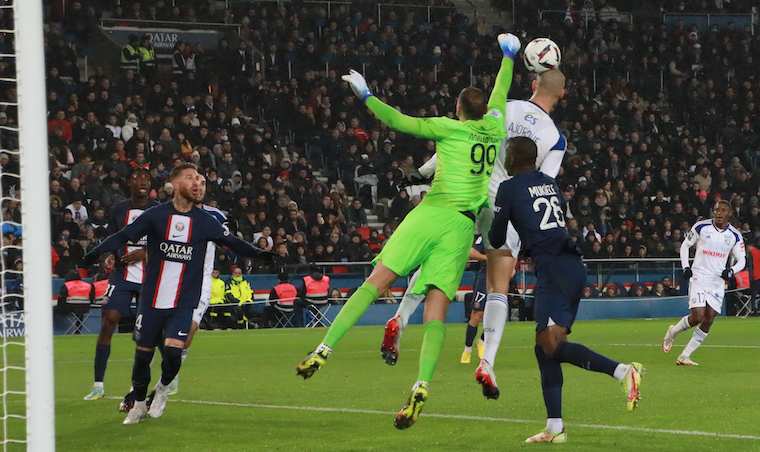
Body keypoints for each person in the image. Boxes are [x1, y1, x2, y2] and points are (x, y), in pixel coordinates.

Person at [295, 33, 519, 430]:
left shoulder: (448, 128)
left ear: (458, 109)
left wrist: (366, 95)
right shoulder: (495, 126)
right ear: (485, 110)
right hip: (462, 227)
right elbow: (501, 90)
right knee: (436, 311)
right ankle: (421, 384)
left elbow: (398, 121)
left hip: (431, 213)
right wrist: (508, 56)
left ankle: (324, 348)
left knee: (376, 281)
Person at [380, 64, 568, 383]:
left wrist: (421, 174)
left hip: (471, 194)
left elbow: (462, 141)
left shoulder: (505, 107)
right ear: (561, 94)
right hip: (507, 207)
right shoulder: (556, 139)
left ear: (533, 84)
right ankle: (487, 361)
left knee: (435, 262)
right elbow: (540, 185)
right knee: (499, 286)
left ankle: (400, 317)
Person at [84, 163, 271, 424]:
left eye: (202, 181)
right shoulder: (156, 215)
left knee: (176, 347)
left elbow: (232, 242)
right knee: (143, 355)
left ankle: (163, 388)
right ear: (175, 184)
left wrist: (262, 254)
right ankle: (138, 401)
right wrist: (97, 251)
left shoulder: (210, 219)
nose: (198, 185)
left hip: (189, 293)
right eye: (192, 179)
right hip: (153, 296)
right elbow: (124, 235)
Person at [491, 136, 643, 443]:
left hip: (554, 270)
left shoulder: (509, 187)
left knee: (551, 345)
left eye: (507, 154)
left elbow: (495, 238)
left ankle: (624, 371)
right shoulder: (549, 183)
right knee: (544, 348)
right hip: (571, 266)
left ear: (513, 158)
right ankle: (554, 427)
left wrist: (489, 214)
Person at [84, 168, 157, 401]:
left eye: (146, 179)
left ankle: (139, 386)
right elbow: (115, 237)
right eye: (137, 178)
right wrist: (110, 255)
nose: (142, 182)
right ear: (128, 182)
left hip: (149, 277)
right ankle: (98, 385)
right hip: (122, 275)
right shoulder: (118, 209)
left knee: (148, 333)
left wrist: (143, 253)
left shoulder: (159, 209)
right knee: (108, 322)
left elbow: (165, 243)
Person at [661, 200, 745, 365]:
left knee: (709, 319)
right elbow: (685, 246)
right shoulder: (701, 227)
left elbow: (742, 260)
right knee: (698, 316)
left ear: (730, 214)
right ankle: (673, 331)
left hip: (717, 281)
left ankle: (684, 356)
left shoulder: (734, 235)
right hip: (699, 276)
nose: (719, 213)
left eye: (723, 210)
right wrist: (686, 267)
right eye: (716, 210)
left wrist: (731, 271)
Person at [460, 236, 487, 364]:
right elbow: (472, 252)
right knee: (477, 313)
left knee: (497, 314)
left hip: (501, 277)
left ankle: (482, 341)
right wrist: (487, 258)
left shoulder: (513, 235)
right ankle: (468, 348)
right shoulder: (487, 236)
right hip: (486, 276)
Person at [58, 270, 95, 335]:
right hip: (85, 308)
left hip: (70, 307)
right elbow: (91, 297)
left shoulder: (66, 285)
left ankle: (55, 329)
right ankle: (78, 330)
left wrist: (60, 306)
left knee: (54, 310)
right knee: (80, 313)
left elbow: (62, 297)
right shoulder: (88, 285)